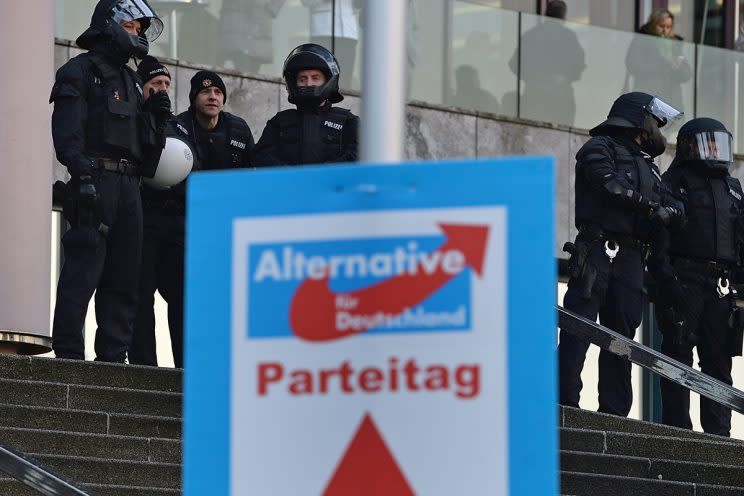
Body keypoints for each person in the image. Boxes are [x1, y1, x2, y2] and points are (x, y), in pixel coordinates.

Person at [50, 0, 168, 362]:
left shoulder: (133, 80)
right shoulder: (79, 70)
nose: (139, 34)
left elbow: (147, 159)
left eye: (141, 29)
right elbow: (67, 135)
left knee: (124, 278)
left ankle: (113, 359)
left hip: (130, 187)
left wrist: (157, 121)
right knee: (83, 271)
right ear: (111, 25)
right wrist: (83, 176)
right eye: (133, 26)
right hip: (95, 179)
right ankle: (69, 355)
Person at [558, 92, 684, 416]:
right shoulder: (599, 147)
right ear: (639, 118)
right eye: (655, 121)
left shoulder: (651, 169)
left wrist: (668, 212)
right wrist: (653, 207)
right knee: (578, 329)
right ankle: (563, 405)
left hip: (631, 259)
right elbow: (610, 186)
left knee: (621, 340)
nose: (659, 128)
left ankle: (615, 417)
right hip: (597, 250)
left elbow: (677, 207)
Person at [649, 118, 744, 437]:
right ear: (691, 145)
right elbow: (659, 239)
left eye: (720, 143)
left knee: (719, 361)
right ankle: (677, 433)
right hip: (684, 278)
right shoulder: (674, 180)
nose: (717, 149)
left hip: (722, 285)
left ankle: (719, 435)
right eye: (710, 142)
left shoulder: (733, 187)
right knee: (677, 355)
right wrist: (666, 279)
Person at [130, 56, 193, 368]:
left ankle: (185, 363)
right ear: (142, 87)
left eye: (167, 84)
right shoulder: (135, 118)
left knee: (182, 296)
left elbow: (192, 165)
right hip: (142, 216)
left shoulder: (178, 125)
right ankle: (144, 364)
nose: (162, 90)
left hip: (174, 222)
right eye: (155, 84)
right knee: (140, 295)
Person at [253, 43, 359, 167]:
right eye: (302, 79)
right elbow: (261, 157)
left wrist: (322, 175)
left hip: (333, 185)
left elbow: (359, 155)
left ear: (328, 81)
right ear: (294, 83)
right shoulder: (279, 122)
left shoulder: (347, 122)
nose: (309, 84)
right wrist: (294, 177)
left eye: (315, 78)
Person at [509, 0, 585, 126]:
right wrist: (564, 78)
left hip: (535, 93)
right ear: (563, 17)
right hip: (561, 95)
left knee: (532, 134)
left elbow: (513, 64)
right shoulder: (569, 37)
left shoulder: (531, 35)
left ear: (545, 14)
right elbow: (578, 65)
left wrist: (532, 79)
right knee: (562, 136)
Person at [177, 70, 254, 171]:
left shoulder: (240, 128)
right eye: (205, 91)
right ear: (194, 99)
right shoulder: (178, 126)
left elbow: (252, 171)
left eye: (218, 92)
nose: (213, 97)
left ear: (223, 100)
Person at [625, 9, 692, 112]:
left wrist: (678, 68)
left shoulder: (675, 44)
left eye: (668, 27)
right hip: (649, 98)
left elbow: (687, 75)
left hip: (672, 101)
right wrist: (663, 65)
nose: (665, 30)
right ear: (653, 24)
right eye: (661, 26)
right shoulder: (642, 40)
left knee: (673, 127)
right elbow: (633, 65)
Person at [302, 0, 359, 89]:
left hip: (348, 32)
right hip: (323, 30)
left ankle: (343, 102)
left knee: (345, 79)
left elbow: (358, 5)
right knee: (322, 75)